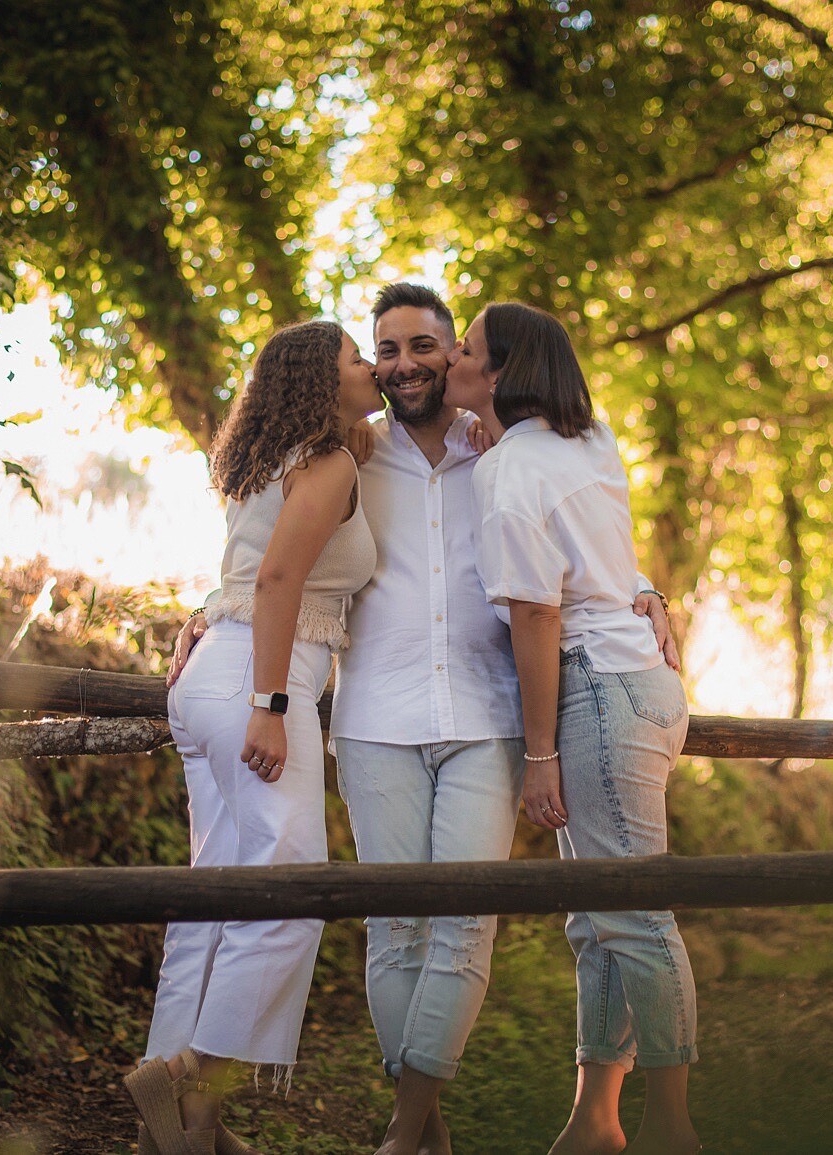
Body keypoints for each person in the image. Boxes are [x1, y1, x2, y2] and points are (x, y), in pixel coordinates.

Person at [168, 284, 676, 1155]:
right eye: (386, 349)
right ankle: (426, 1130)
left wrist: (644, 593)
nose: (403, 364)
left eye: (423, 346)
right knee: (393, 927)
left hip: (488, 716)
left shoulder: (505, 450)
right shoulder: (351, 451)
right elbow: (271, 551)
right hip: (374, 718)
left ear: (456, 356)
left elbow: (587, 546)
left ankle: (400, 1134)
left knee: (462, 926)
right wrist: (214, 611)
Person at [445, 302, 699, 1155]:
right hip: (648, 684)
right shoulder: (587, 440)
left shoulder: (507, 472)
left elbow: (536, 615)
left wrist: (540, 752)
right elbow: (609, 561)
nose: (451, 359)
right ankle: (597, 1115)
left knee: (632, 915)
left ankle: (672, 1128)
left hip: (599, 690)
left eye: (467, 351)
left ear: (503, 372)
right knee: (599, 916)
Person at [130, 319, 382, 1155]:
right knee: (291, 890)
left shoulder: (271, 458)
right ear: (321, 380)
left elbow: (244, 573)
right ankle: (189, 1075)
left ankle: (183, 1125)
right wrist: (272, 701)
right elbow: (276, 579)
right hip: (256, 680)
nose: (373, 367)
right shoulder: (330, 463)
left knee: (220, 892)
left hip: (215, 676)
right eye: (357, 358)